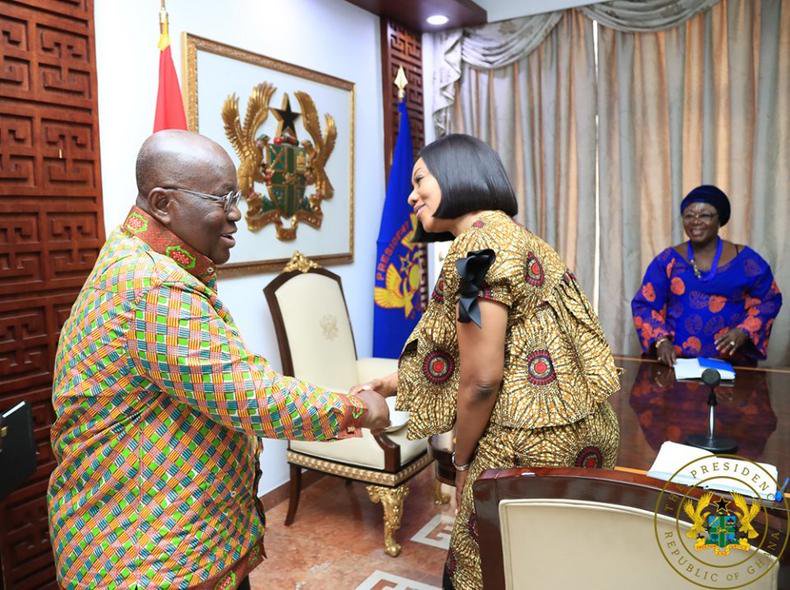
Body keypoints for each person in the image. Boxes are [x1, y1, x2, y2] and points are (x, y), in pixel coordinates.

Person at [47, 130, 390, 590]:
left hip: (175, 539)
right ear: (162, 203)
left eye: (236, 198)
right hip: (149, 556)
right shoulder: (154, 287)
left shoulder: (143, 259)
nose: (236, 214)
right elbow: (251, 395)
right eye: (222, 199)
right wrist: (358, 410)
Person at [351, 134, 620, 590]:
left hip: (525, 444)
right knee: (553, 564)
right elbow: (483, 349)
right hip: (586, 430)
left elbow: (481, 379)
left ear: (457, 175)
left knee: (482, 569)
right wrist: (390, 383)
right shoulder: (520, 237)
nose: (411, 196)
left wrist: (460, 461)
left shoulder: (475, 251)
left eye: (420, 180)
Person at [631, 185, 782, 367]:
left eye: (704, 215)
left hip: (732, 363)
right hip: (677, 363)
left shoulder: (745, 260)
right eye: (689, 216)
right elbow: (644, 305)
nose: (695, 221)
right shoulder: (668, 260)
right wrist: (660, 340)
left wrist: (744, 331)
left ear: (719, 220)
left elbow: (770, 299)